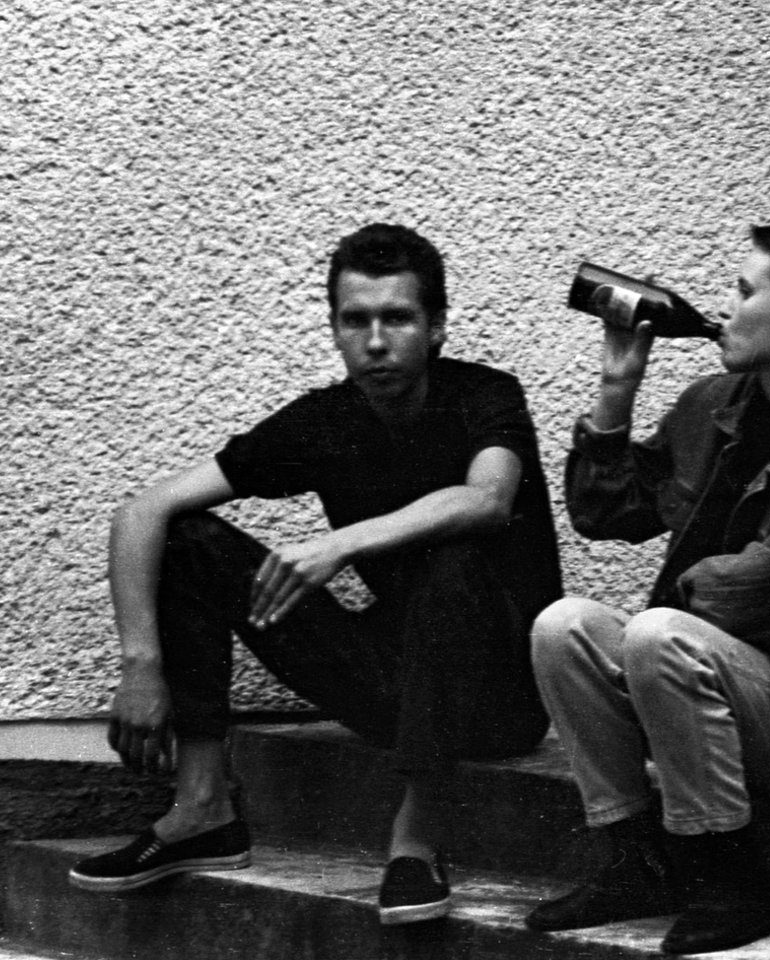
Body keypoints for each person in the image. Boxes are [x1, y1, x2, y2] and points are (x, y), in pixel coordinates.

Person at [69, 224, 562, 926]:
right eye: (355, 320)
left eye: (397, 318)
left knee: (452, 560)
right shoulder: (325, 421)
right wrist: (140, 665)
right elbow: (142, 512)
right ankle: (203, 807)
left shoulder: (484, 396)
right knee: (189, 540)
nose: (376, 341)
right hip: (393, 686)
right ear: (334, 329)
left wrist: (338, 545)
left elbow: (487, 500)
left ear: (437, 327)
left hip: (499, 698)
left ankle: (416, 840)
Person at [525, 223, 770, 955]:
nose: (725, 309)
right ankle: (632, 864)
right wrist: (617, 387)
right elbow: (605, 513)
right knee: (562, 626)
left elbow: (744, 596)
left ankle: (729, 885)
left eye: (743, 292)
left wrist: (654, 636)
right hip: (727, 689)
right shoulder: (715, 402)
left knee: (658, 633)